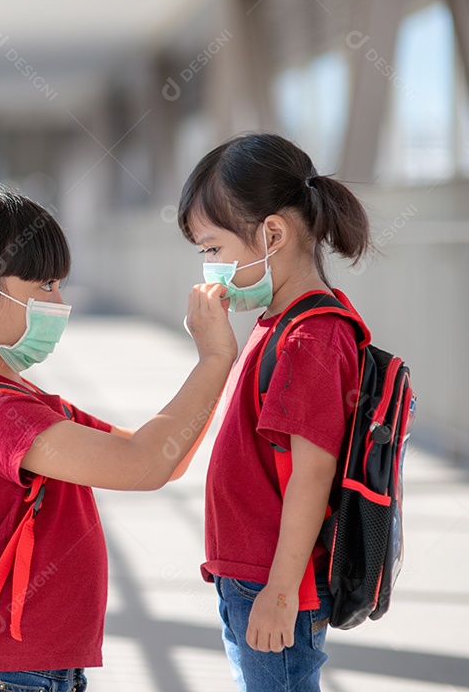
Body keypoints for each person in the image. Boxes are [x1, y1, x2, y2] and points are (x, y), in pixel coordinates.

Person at [0, 185, 237, 692]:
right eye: (46, 286)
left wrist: (213, 370)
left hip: (32, 669)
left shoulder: (17, 398)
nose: (61, 302)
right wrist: (214, 360)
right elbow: (142, 465)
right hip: (17, 673)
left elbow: (165, 458)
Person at [176, 133, 371, 691]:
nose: (208, 267)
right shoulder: (281, 321)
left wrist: (283, 592)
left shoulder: (311, 336)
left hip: (274, 581)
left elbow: (313, 473)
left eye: (212, 249)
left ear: (273, 235)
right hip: (251, 577)